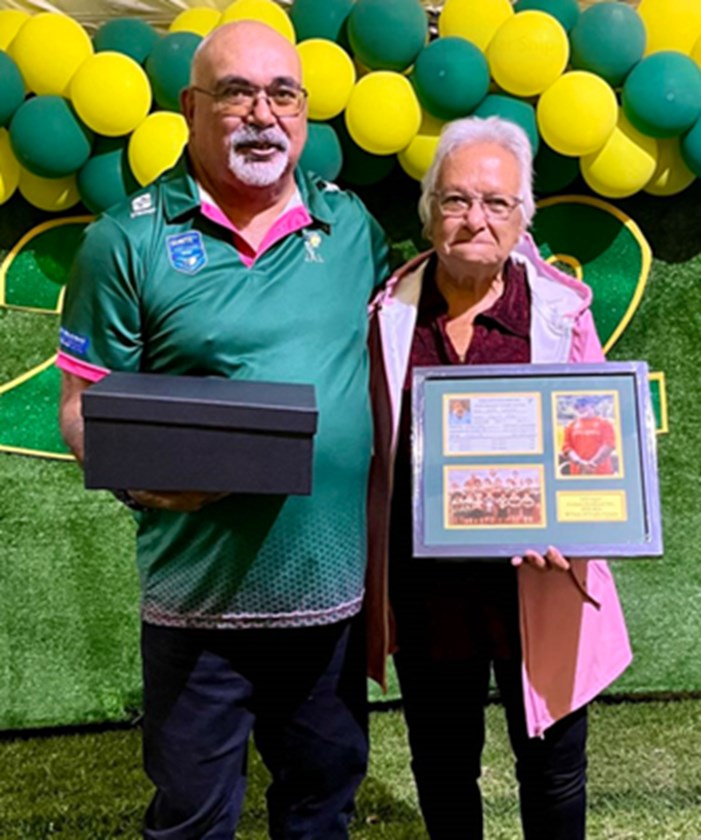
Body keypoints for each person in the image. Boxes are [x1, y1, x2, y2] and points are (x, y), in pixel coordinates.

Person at [58, 21, 388, 839]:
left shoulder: (351, 230)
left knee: (320, 812)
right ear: (190, 106)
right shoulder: (124, 240)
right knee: (193, 822)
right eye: (236, 92)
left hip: (327, 604)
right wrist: (140, 478)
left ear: (305, 113)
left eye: (283, 94)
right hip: (195, 610)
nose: (261, 114)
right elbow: (79, 406)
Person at [364, 117, 631, 840]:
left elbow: (596, 445)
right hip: (428, 592)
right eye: (454, 201)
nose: (474, 219)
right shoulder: (387, 312)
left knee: (551, 770)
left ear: (522, 218)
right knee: (443, 769)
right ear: (428, 213)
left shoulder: (560, 312)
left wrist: (570, 525)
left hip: (537, 585)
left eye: (495, 203)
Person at [562, 396, 616, 475]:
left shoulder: (605, 423)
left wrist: (592, 464)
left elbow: (609, 445)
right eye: (577, 407)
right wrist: (579, 462)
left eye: (583, 405)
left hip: (601, 472)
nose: (580, 409)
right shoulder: (571, 426)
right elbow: (566, 448)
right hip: (578, 473)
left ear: (592, 405)